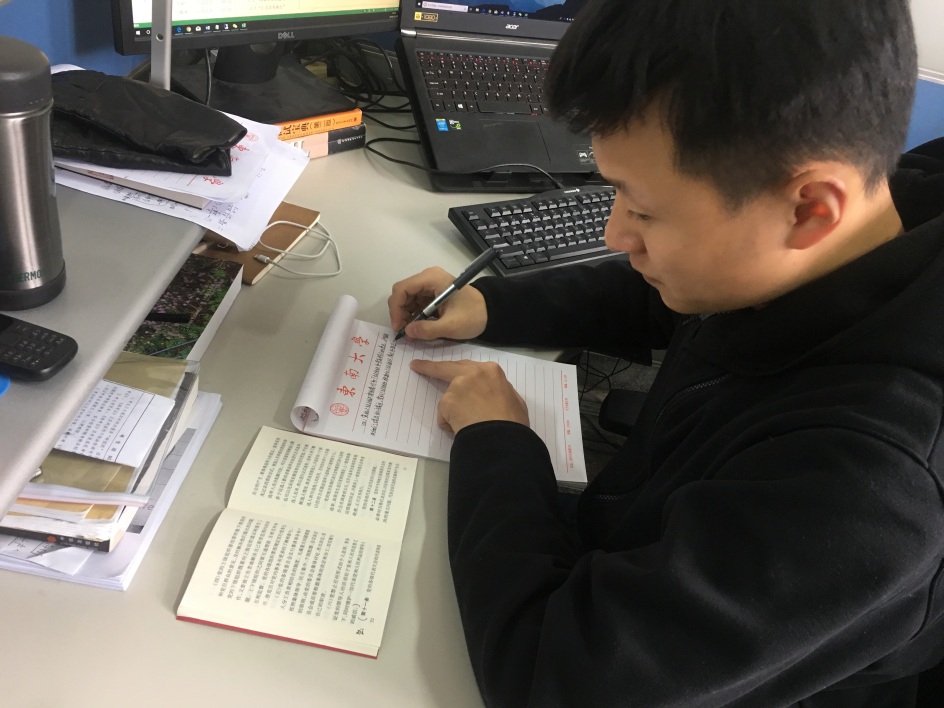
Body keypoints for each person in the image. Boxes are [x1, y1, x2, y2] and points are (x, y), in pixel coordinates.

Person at [388, 1, 944, 705]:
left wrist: (498, 442)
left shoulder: (865, 491)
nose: (616, 234)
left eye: (643, 210)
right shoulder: (885, 212)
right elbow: (688, 289)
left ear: (810, 209)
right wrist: (496, 305)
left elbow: (551, 681)